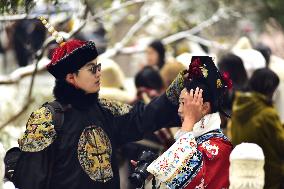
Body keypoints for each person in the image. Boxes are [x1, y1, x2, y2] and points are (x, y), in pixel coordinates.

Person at [12, 36, 188, 189]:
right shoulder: (46, 119)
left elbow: (145, 117)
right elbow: (30, 180)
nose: (98, 74)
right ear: (70, 77)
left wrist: (181, 84)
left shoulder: (106, 110)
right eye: (91, 68)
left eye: (98, 66)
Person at [147, 56, 233, 188]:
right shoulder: (194, 139)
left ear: (204, 107)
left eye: (184, 103)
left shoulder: (218, 149)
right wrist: (154, 173)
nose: (179, 110)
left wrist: (189, 121)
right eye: (179, 103)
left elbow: (182, 180)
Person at [230, 68, 284, 189]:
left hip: (241, 172)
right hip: (268, 174)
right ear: (269, 89)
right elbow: (281, 144)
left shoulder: (238, 106)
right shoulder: (267, 114)